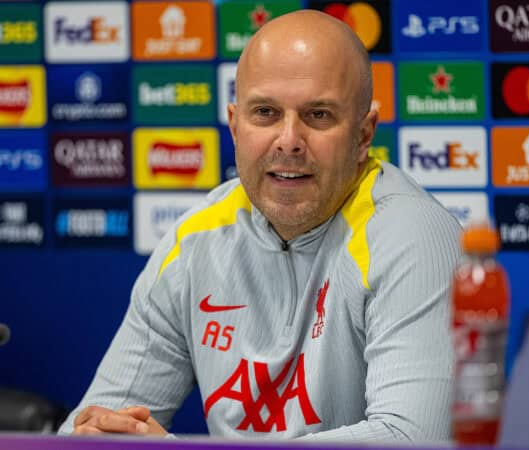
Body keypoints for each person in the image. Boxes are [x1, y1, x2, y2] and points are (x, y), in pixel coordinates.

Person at [58, 10, 462, 442]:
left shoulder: (411, 235)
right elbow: (96, 426)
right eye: (265, 113)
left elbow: (413, 439)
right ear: (235, 125)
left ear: (363, 135)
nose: (289, 140)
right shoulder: (195, 240)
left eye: (318, 115)